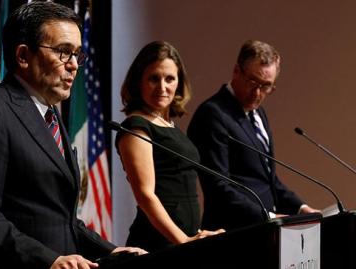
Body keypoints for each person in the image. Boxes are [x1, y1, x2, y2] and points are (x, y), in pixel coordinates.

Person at [0, 2, 145, 269]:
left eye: (78, 54)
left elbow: (61, 219)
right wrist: (48, 260)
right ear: (23, 56)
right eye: (64, 52)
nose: (74, 65)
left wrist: (112, 251)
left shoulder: (50, 115)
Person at [187, 40, 319, 231]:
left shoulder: (258, 113)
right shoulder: (213, 114)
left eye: (266, 86)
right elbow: (218, 185)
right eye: (252, 82)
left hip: (264, 232)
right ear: (236, 71)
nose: (257, 93)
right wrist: (268, 216)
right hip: (234, 232)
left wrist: (301, 208)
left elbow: (267, 179)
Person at [115, 41, 224, 252]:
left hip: (183, 238)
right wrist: (182, 240)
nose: (162, 87)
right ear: (139, 81)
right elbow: (146, 195)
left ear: (179, 82)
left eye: (170, 79)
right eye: (154, 78)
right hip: (158, 243)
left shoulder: (168, 125)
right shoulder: (136, 127)